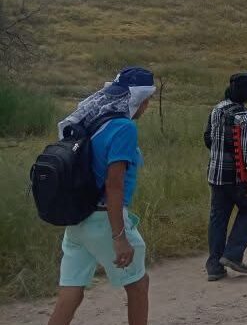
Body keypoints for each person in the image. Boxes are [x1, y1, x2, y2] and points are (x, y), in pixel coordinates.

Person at [48, 68, 156, 325]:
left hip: (77, 220)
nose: (147, 105)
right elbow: (114, 185)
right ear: (138, 99)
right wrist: (119, 237)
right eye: (147, 99)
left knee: (71, 291)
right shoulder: (123, 127)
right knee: (139, 284)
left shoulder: (94, 121)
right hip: (104, 220)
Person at [204, 72, 247, 281]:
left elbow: (208, 139)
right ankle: (232, 254)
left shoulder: (217, 109)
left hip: (216, 174)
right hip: (238, 177)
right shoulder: (245, 116)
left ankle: (214, 265)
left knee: (218, 218)